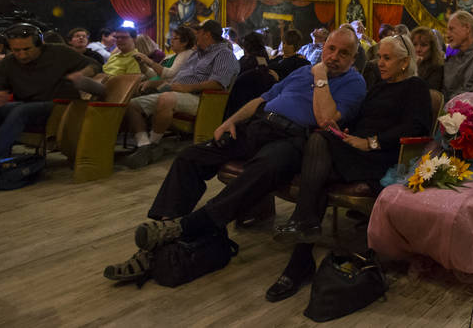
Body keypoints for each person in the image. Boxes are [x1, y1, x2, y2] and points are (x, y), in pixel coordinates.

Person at [103, 29, 366, 283]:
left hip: (295, 139)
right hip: (260, 126)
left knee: (263, 168)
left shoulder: (354, 83)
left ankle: (190, 226)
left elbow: (325, 120)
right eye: (331, 48)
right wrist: (228, 121)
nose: (334, 56)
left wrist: (320, 77)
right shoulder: (300, 72)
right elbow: (261, 100)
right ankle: (158, 239)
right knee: (190, 157)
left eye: (343, 53)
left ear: (352, 59)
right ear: (323, 47)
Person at [266, 35, 432, 301]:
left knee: (318, 153)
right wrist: (345, 133)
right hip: (354, 149)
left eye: (387, 58)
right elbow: (360, 120)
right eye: (379, 57)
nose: (380, 62)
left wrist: (371, 143)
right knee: (318, 155)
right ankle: (301, 250)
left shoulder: (416, 87)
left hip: (381, 157)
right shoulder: (378, 86)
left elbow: (415, 128)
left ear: (404, 62)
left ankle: (299, 253)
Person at [0, 24, 103, 188]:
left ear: (40, 44)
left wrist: (82, 74)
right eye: (16, 50)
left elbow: (95, 65)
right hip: (27, 107)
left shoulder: (59, 52)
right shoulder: (9, 62)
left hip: (60, 108)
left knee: (21, 109)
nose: (21, 55)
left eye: (27, 49)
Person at [123, 20, 240, 168]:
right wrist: (161, 84)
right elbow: (174, 78)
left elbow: (218, 83)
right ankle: (143, 145)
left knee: (166, 98)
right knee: (132, 105)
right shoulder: (197, 54)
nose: (195, 36)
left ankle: (153, 144)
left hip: (202, 99)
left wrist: (188, 88)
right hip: (177, 92)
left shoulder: (224, 54)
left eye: (198, 33)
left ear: (207, 34)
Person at [410, 26, 444, 92]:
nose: (418, 49)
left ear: (432, 48)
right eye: (415, 44)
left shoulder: (437, 67)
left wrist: (415, 69)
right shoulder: (405, 64)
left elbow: (426, 93)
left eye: (423, 45)